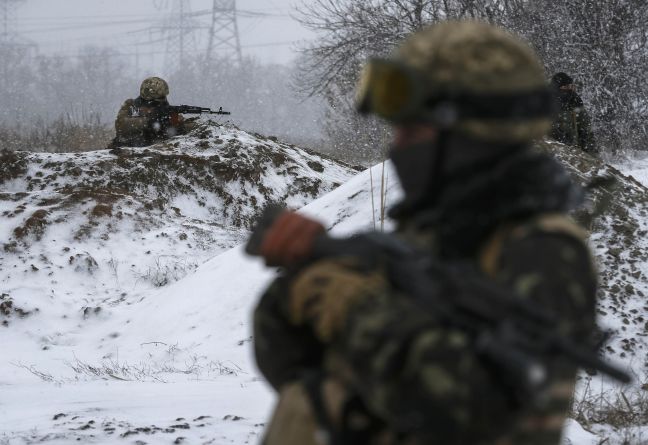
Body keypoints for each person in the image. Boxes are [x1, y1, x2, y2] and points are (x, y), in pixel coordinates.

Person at [252, 21, 598, 445]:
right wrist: (299, 286)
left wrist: (352, 304)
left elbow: (474, 412)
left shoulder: (542, 248)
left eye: (413, 129)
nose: (397, 145)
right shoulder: (432, 230)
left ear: (473, 131)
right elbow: (295, 365)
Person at [108, 77, 197, 153]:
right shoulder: (131, 105)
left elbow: (176, 130)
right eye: (160, 98)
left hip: (156, 151)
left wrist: (177, 123)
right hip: (129, 149)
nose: (163, 100)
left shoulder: (164, 108)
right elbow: (121, 124)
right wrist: (149, 121)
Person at [549, 72, 597, 154]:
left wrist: (592, 157)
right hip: (553, 152)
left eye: (571, 86)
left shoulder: (575, 102)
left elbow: (587, 134)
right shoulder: (545, 103)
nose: (570, 90)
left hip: (574, 154)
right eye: (566, 87)